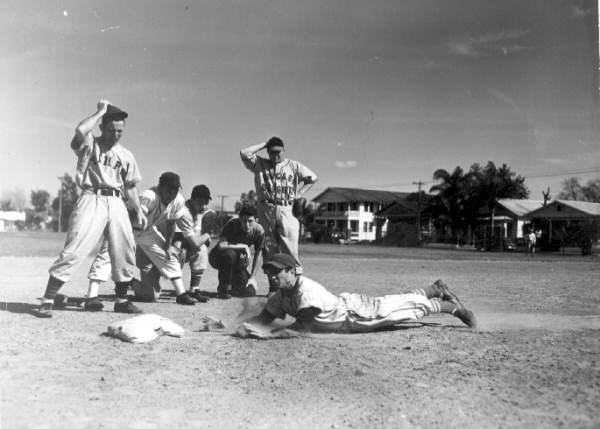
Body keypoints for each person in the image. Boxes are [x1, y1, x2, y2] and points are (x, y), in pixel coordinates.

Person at [34, 100, 147, 318]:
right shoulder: (89, 142)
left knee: (125, 248)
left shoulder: (126, 155)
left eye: (120, 131)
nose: (116, 134)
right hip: (91, 197)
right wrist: (101, 111)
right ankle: (48, 299)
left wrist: (139, 210)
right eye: (112, 129)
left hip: (117, 201)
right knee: (76, 247)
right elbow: (80, 129)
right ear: (102, 127)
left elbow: (131, 186)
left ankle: (122, 300)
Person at [237, 254, 477, 336]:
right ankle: (435, 289)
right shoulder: (281, 295)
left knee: (406, 309)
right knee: (397, 301)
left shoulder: (304, 290)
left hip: (356, 315)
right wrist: (233, 328)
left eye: (276, 272)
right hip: (348, 309)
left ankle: (454, 309)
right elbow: (264, 319)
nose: (271, 277)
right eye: (268, 272)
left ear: (291, 272)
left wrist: (268, 333)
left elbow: (303, 325)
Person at [240, 137, 317, 291]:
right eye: (271, 152)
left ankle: (296, 288)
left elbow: (312, 178)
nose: (275, 155)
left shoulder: (294, 165)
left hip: (287, 209)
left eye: (278, 152)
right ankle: (274, 289)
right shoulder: (260, 164)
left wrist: (299, 193)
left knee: (291, 249)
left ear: (284, 150)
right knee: (268, 249)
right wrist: (264, 144)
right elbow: (244, 153)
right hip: (266, 209)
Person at [131, 172, 203, 305]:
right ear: (160, 187)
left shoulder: (177, 200)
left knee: (170, 257)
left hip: (147, 231)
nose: (173, 193)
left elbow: (171, 223)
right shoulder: (149, 196)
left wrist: (168, 245)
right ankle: (123, 283)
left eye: (175, 189)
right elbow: (132, 216)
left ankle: (181, 294)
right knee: (114, 258)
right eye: (170, 189)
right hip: (128, 229)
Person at [208, 204, 265, 299]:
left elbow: (259, 253)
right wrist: (243, 246)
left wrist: (252, 277)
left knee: (249, 291)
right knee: (230, 255)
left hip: (238, 261)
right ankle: (224, 288)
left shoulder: (259, 231)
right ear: (239, 219)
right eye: (244, 221)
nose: (246, 225)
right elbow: (222, 245)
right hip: (218, 257)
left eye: (250, 221)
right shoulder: (232, 224)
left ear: (256, 220)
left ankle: (234, 284)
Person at [171, 184, 216, 301]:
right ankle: (133, 281)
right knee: (149, 294)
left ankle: (194, 289)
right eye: (201, 203)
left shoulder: (198, 212)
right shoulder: (183, 211)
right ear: (193, 199)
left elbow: (196, 239)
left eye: (206, 203)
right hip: (164, 249)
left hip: (183, 245)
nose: (204, 206)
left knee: (202, 249)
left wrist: (203, 238)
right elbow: (190, 242)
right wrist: (207, 235)